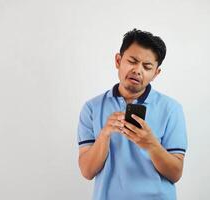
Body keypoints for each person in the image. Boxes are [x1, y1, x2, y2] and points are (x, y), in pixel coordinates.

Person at [77, 28, 188, 200]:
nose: (137, 70)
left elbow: (175, 173)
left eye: (147, 66)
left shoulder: (171, 109)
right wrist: (104, 134)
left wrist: (151, 144)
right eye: (132, 61)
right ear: (118, 60)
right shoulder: (91, 108)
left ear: (156, 73)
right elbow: (87, 171)